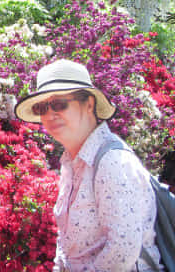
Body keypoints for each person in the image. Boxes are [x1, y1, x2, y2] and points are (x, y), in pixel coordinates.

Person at [14, 59, 163, 272]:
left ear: (89, 104)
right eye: (41, 107)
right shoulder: (71, 162)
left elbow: (122, 251)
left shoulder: (112, 162)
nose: (49, 115)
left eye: (58, 104)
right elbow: (67, 242)